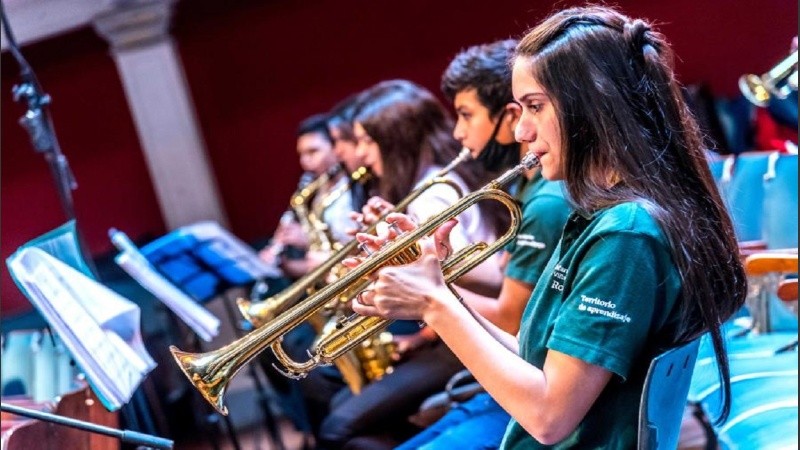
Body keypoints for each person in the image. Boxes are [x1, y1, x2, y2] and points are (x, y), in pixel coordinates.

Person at [349, 6, 747, 448]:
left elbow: (548, 416)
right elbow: (533, 355)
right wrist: (439, 288)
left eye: (535, 107)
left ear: (593, 106)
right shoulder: (603, 214)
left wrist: (435, 304)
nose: (521, 130)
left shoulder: (625, 234)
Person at [396, 39, 572, 450]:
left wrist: (431, 295)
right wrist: (428, 259)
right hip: (523, 379)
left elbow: (512, 322)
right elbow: (502, 276)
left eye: (465, 115)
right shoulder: (528, 193)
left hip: (532, 390)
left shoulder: (545, 202)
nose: (457, 132)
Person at [317, 79, 505, 450]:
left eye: (368, 140)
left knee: (338, 427)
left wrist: (396, 262)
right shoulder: (431, 184)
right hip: (453, 331)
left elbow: (468, 279)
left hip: (466, 339)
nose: (362, 153)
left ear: (395, 138)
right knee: (341, 407)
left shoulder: (433, 195)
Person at [259, 113, 345, 278]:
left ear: (336, 147)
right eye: (301, 154)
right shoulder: (312, 196)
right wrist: (283, 263)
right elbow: (314, 268)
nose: (305, 162)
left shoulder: (355, 190)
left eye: (313, 151)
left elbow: (355, 254)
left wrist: (308, 241)